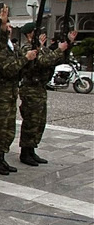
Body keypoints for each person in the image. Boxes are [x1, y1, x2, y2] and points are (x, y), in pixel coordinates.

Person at [0, 7, 37, 175]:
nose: (9, 28)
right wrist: (25, 58)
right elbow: (8, 69)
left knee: (8, 128)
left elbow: (18, 70)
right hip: (1, 93)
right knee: (0, 128)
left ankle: (1, 157)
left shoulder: (11, 48)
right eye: (6, 25)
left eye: (9, 25)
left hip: (10, 92)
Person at [18, 22, 75, 165]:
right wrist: (58, 50)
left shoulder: (40, 48)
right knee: (31, 121)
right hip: (30, 89)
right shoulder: (27, 48)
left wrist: (68, 44)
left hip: (39, 89)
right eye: (38, 32)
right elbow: (43, 62)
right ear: (30, 34)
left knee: (39, 122)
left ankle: (31, 149)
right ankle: (25, 152)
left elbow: (56, 59)